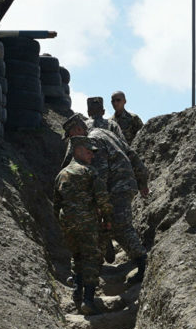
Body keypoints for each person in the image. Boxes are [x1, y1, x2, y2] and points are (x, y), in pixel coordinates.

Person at [62, 114, 150, 283]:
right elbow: (131, 154)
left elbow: (100, 174)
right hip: (125, 183)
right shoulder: (105, 132)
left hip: (117, 187)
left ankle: (143, 264)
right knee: (109, 226)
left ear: (78, 129)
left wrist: (97, 200)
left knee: (120, 226)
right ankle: (88, 270)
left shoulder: (92, 141)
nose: (72, 141)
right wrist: (142, 181)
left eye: (71, 136)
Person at [53, 135, 111, 315]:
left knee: (77, 256)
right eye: (89, 152)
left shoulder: (61, 175)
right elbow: (102, 197)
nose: (92, 156)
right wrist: (107, 218)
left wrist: (63, 223)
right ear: (77, 151)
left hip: (67, 223)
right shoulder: (89, 172)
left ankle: (77, 294)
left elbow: (56, 204)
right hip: (88, 222)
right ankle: (88, 300)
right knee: (91, 257)